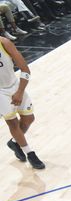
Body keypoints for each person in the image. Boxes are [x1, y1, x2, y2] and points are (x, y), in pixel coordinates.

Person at [1, 35, 44, 169]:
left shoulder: (4, 42)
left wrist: (19, 91)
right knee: (13, 123)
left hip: (15, 85)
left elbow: (25, 69)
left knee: (29, 118)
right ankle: (30, 153)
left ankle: (14, 142)